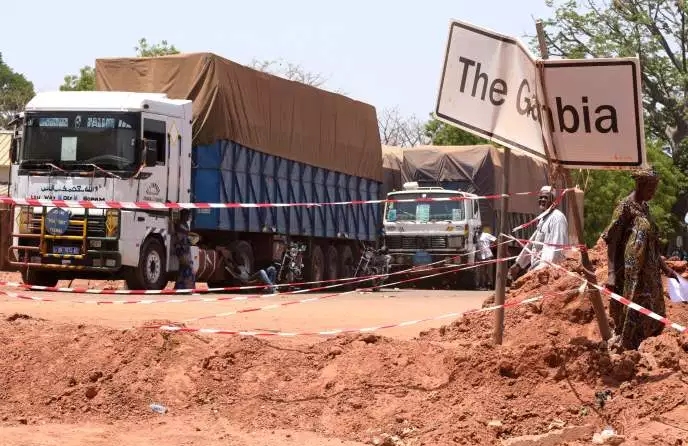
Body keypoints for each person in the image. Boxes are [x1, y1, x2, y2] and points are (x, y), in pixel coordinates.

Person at [601, 167, 679, 351]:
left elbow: (652, 244)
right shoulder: (625, 207)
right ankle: (629, 345)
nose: (653, 193)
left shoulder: (645, 208)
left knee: (653, 307)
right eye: (651, 188)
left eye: (655, 188)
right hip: (632, 273)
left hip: (649, 273)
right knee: (632, 307)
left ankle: (651, 343)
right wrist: (611, 273)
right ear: (640, 185)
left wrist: (665, 268)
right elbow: (612, 241)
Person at [508, 185, 569, 280]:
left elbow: (555, 248)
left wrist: (543, 270)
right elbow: (532, 243)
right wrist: (518, 265)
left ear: (554, 200)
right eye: (541, 197)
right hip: (537, 269)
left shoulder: (557, 218)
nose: (543, 200)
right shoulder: (543, 218)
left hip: (547, 273)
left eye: (546, 197)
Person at [173, 209, 196, 289]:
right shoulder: (179, 224)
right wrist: (188, 234)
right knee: (189, 266)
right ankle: (188, 287)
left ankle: (179, 287)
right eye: (187, 215)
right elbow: (179, 232)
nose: (189, 217)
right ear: (183, 215)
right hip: (181, 249)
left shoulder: (186, 224)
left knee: (183, 268)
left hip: (186, 249)